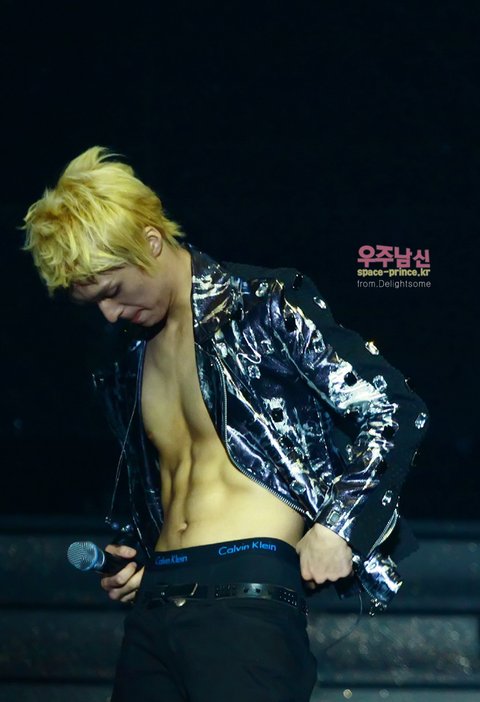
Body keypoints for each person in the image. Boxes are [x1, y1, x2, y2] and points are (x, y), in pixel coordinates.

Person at [23, 146, 429, 702]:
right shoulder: (125, 361)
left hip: (246, 595)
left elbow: (394, 407)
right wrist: (138, 555)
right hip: (155, 605)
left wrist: (340, 525)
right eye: (92, 304)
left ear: (151, 241)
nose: (109, 315)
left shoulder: (262, 306)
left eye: (113, 292)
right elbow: (166, 478)